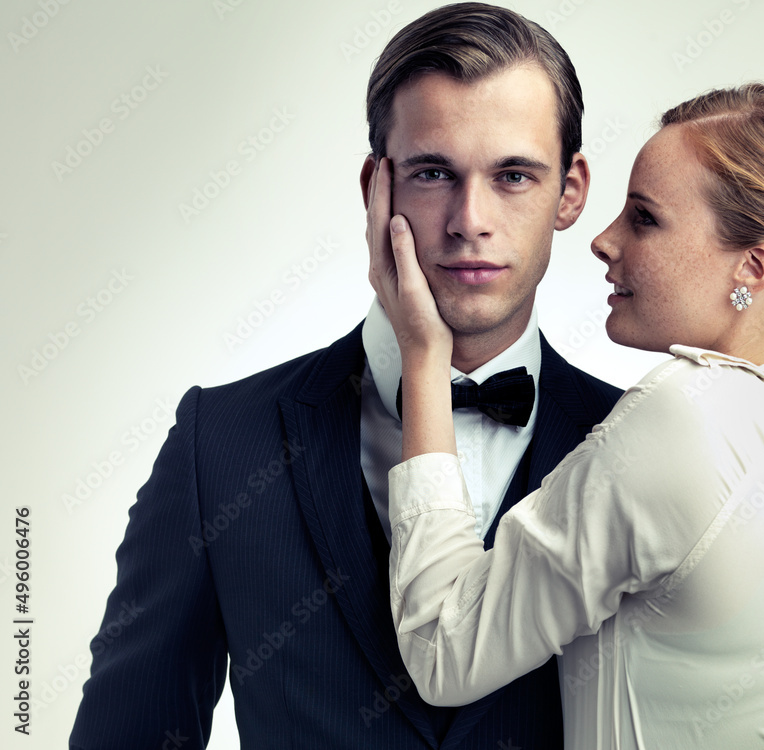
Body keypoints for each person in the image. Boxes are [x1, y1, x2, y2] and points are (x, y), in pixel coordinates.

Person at [69, 4, 623, 748]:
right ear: (376, 185)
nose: (470, 220)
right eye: (433, 173)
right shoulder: (223, 441)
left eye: (514, 175)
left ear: (572, 191)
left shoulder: (632, 440)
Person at [370, 83, 764, 749]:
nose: (603, 241)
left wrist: (425, 357)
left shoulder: (690, 413)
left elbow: (443, 647)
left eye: (644, 218)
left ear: (755, 266)